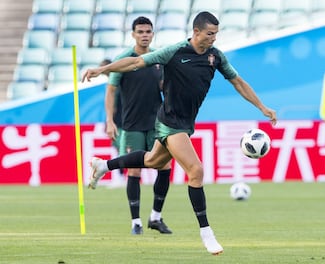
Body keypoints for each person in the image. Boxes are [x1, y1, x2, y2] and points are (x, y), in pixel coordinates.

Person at [82, 11, 277, 255]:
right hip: (168, 121)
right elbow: (134, 63)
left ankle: (103, 166)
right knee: (196, 171)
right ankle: (207, 233)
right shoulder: (174, 52)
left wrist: (262, 107)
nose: (213, 39)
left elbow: (237, 82)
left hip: (185, 123)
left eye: (216, 34)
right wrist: (104, 70)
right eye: (209, 34)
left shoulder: (215, 57)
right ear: (196, 32)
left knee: (152, 161)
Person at [94, 17, 173, 235]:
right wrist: (110, 121)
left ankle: (155, 217)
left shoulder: (158, 59)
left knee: (164, 167)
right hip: (131, 124)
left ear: (153, 34)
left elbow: (164, 87)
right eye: (140, 31)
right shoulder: (123, 60)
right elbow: (111, 91)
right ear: (133, 34)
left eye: (148, 31)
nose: (145, 35)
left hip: (157, 125)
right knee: (135, 170)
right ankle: (136, 222)